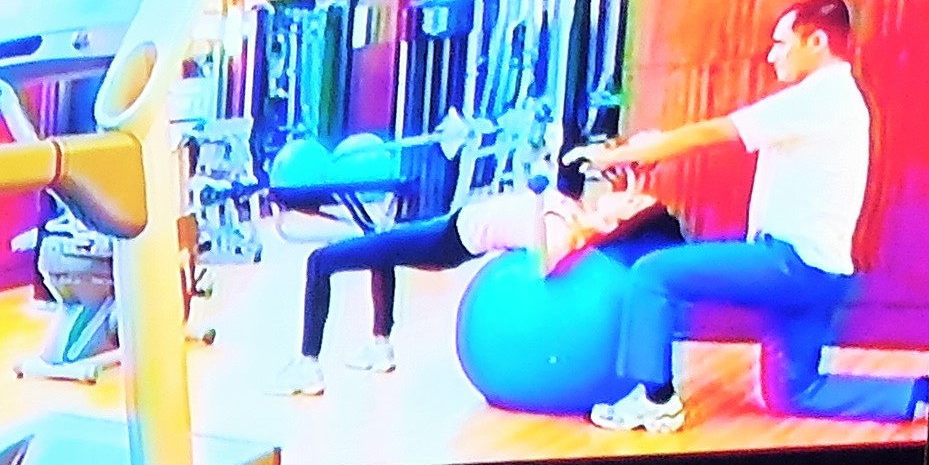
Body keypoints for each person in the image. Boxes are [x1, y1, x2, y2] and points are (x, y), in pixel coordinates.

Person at [575, 0, 929, 433]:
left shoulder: (818, 98)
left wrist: (622, 154)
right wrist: (650, 149)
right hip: (822, 274)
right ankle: (920, 395)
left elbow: (716, 131)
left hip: (791, 266)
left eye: (782, 43)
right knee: (794, 392)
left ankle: (656, 400)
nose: (772, 54)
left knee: (653, 274)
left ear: (817, 42)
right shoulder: (839, 99)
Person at [286, 163, 681, 395]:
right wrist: (627, 177)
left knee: (322, 261)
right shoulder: (580, 214)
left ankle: (308, 365)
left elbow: (545, 264)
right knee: (381, 246)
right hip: (451, 226)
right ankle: (380, 345)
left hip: (448, 241)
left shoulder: (566, 231)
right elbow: (622, 197)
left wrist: (558, 220)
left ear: (617, 222)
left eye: (631, 202)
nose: (624, 194)